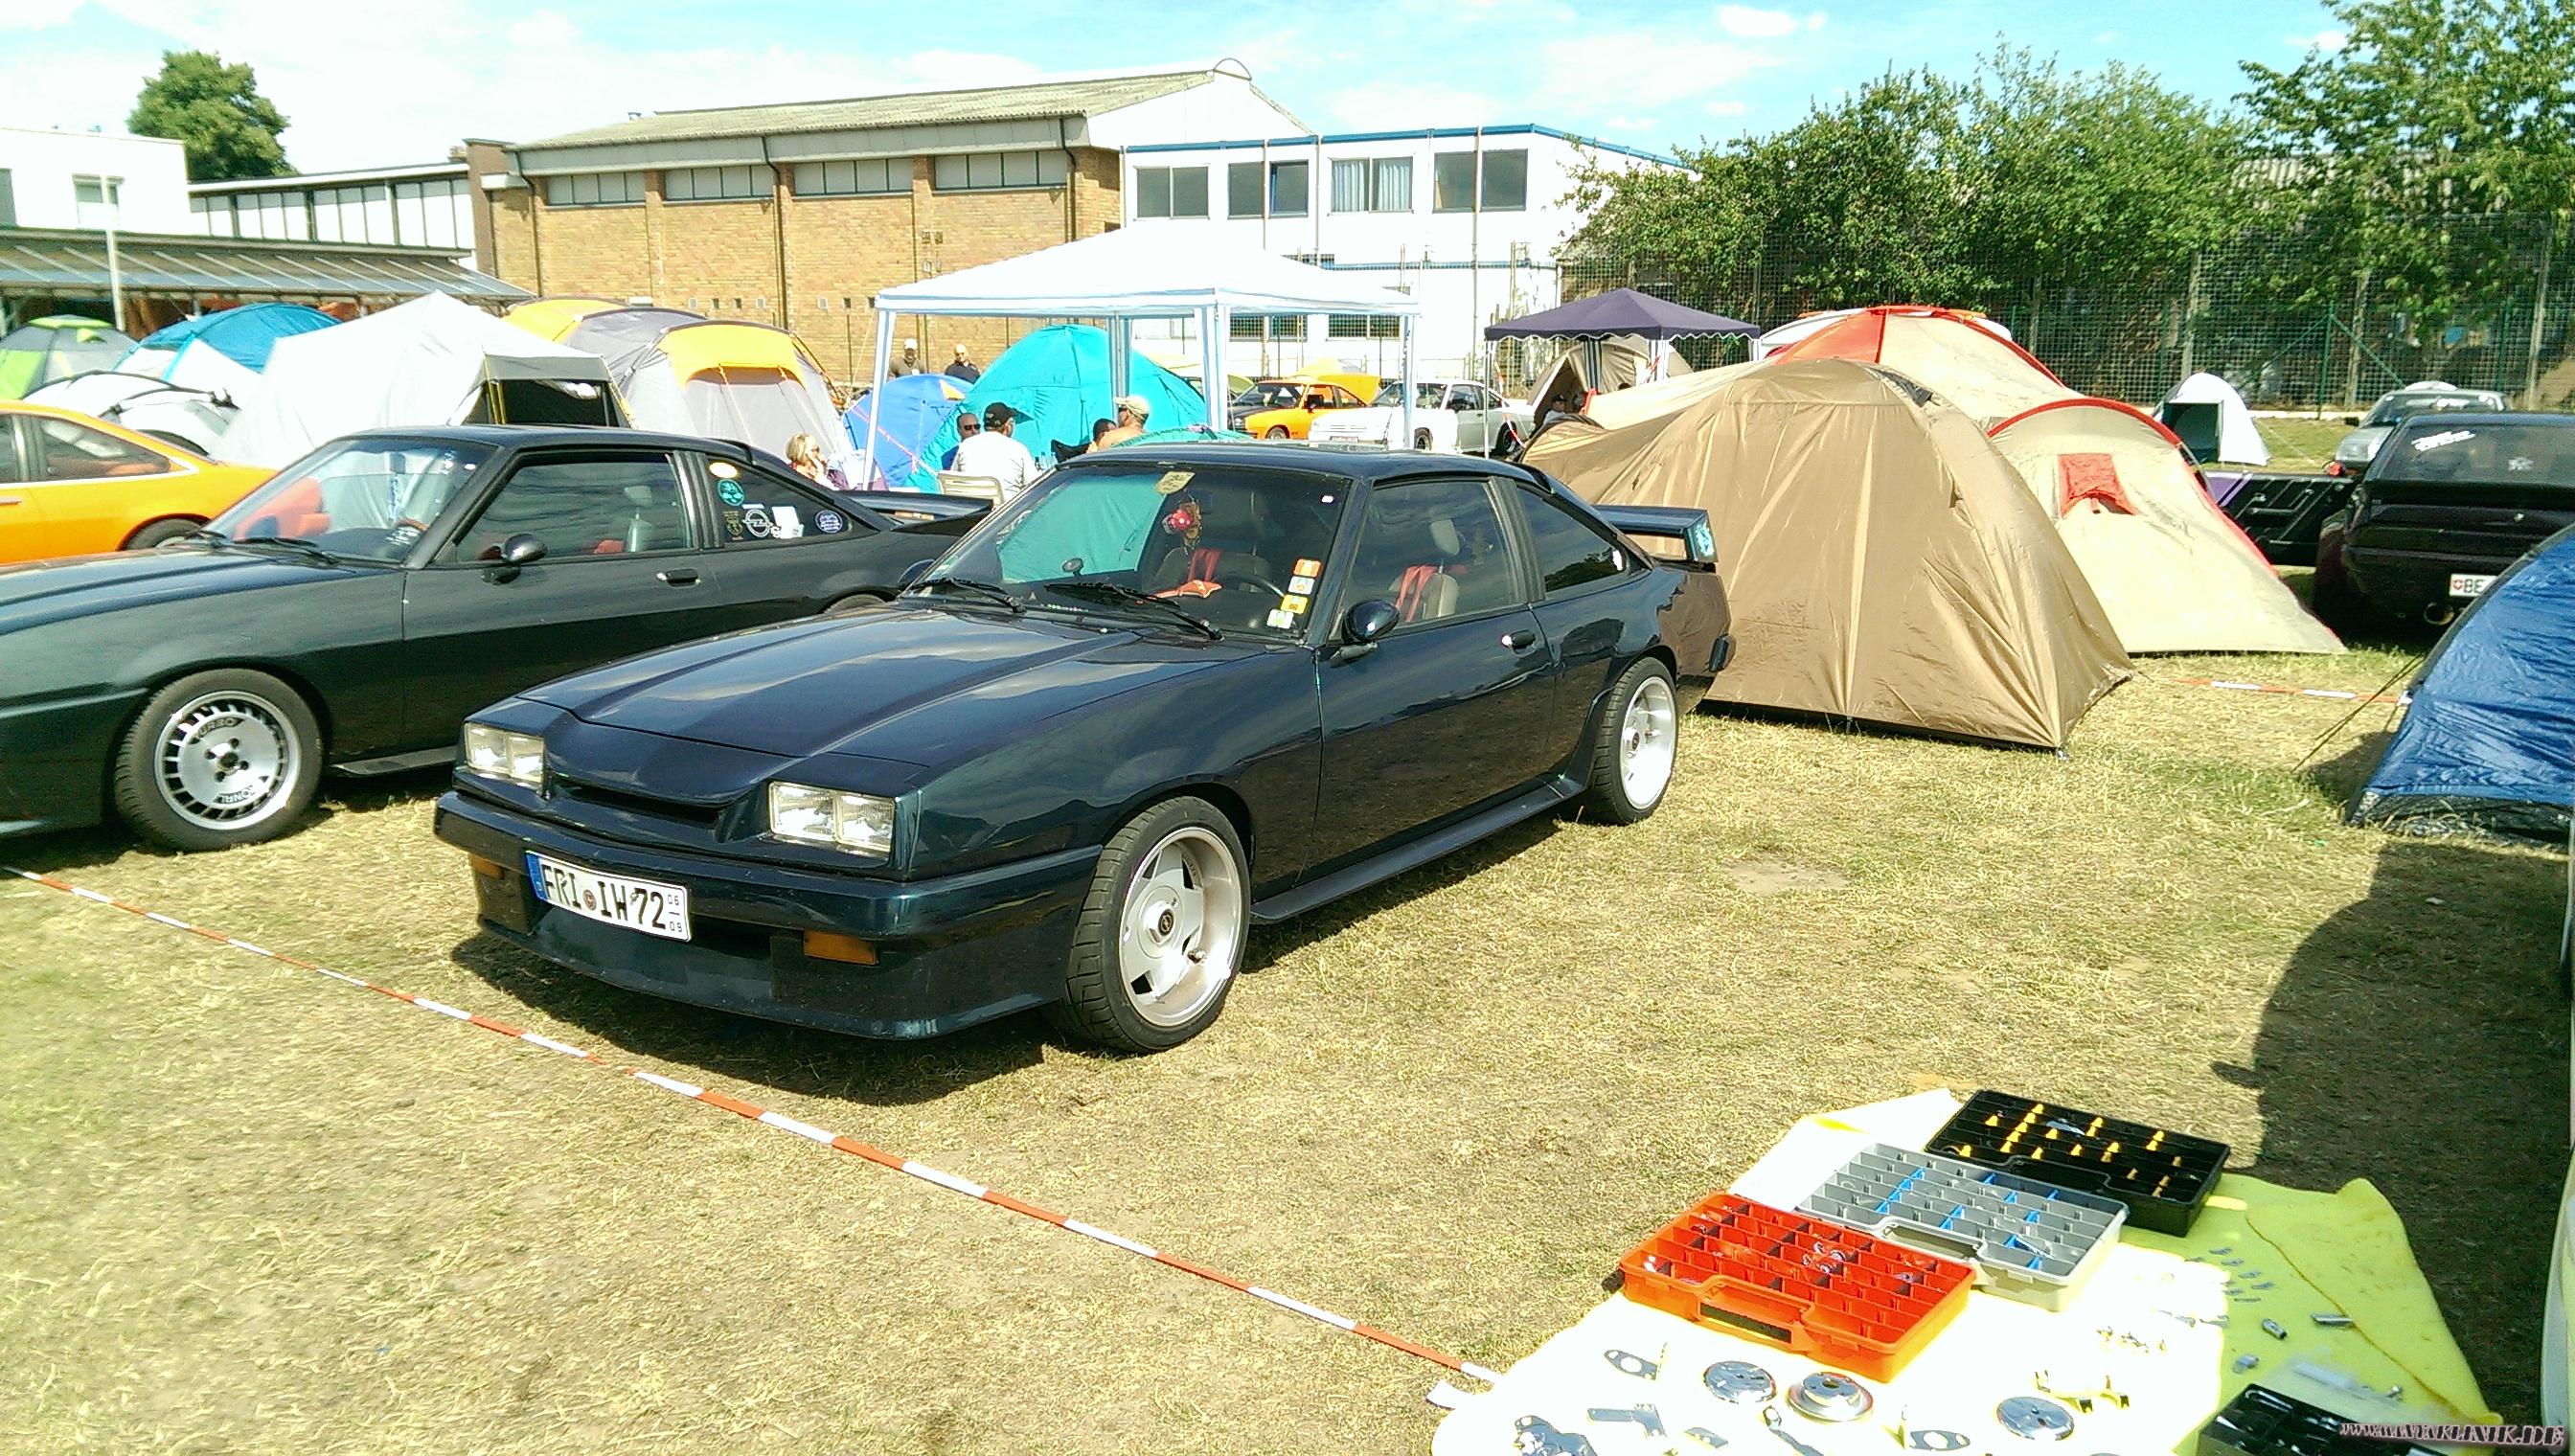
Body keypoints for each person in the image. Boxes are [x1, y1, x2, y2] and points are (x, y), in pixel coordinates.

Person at [949, 400, 1038, 498]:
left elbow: (952, 480)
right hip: (1007, 507)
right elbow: (1035, 486)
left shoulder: (965, 446)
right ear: (1008, 425)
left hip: (972, 505)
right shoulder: (1018, 449)